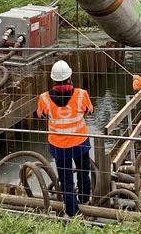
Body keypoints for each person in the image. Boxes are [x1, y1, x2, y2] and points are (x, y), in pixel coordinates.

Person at [37, 60, 93, 217]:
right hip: (80, 143)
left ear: (53, 79)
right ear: (70, 77)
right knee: (83, 173)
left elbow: (41, 115)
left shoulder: (44, 98)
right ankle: (85, 201)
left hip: (58, 146)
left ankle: (73, 214)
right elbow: (89, 111)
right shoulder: (82, 95)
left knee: (66, 182)